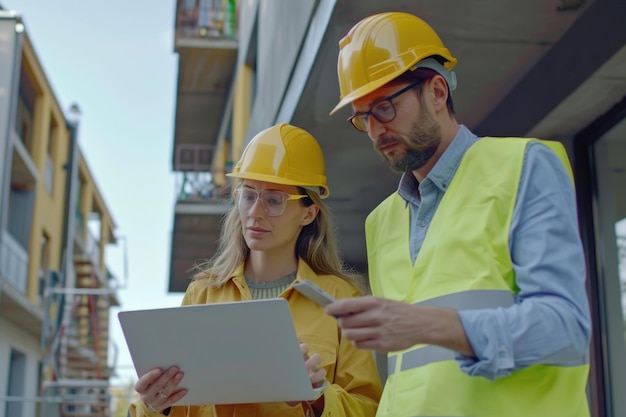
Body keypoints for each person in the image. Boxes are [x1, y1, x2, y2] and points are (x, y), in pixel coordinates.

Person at [325, 11, 592, 417]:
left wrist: (432, 326)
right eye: (363, 117)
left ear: (436, 92)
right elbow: (406, 376)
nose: (376, 130)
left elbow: (566, 329)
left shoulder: (524, 166)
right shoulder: (380, 222)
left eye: (384, 107)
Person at [128, 123, 382, 417]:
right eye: (248, 196)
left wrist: (320, 396)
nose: (255, 213)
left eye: (274, 200)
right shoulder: (203, 294)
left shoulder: (340, 298)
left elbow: (369, 409)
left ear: (308, 213)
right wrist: (152, 407)